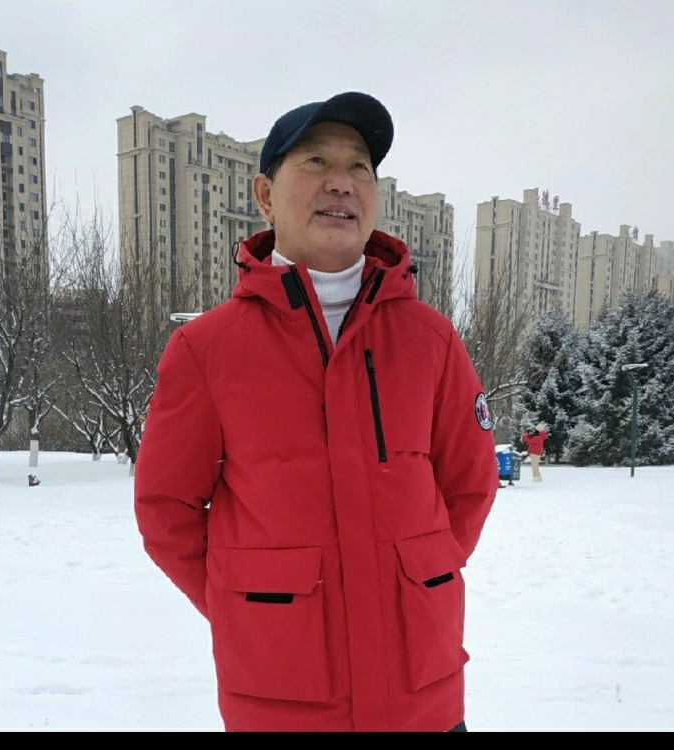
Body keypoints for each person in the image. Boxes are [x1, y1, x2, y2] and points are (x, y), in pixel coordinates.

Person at [134, 92, 499, 732]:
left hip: (423, 701)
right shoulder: (207, 349)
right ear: (265, 196)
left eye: (360, 166)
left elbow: (469, 484)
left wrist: (423, 576)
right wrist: (246, 602)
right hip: (282, 701)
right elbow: (167, 509)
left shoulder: (431, 340)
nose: (341, 181)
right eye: (315, 160)